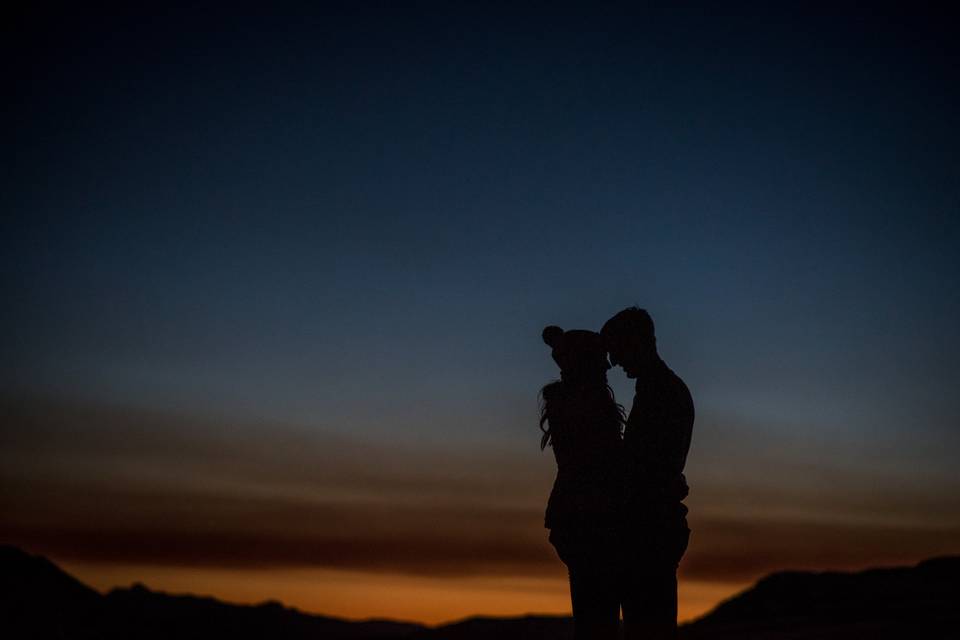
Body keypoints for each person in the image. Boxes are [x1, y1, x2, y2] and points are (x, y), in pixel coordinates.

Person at [601, 307, 694, 640]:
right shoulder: (659, 389)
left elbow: (647, 467)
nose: (614, 361)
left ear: (638, 342)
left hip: (650, 534)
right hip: (653, 530)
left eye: (617, 351)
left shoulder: (662, 392)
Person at [539, 325, 625, 640]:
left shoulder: (575, 402)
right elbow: (599, 465)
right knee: (598, 622)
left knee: (595, 619)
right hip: (589, 521)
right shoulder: (585, 407)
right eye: (599, 361)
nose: (607, 367)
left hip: (578, 519)